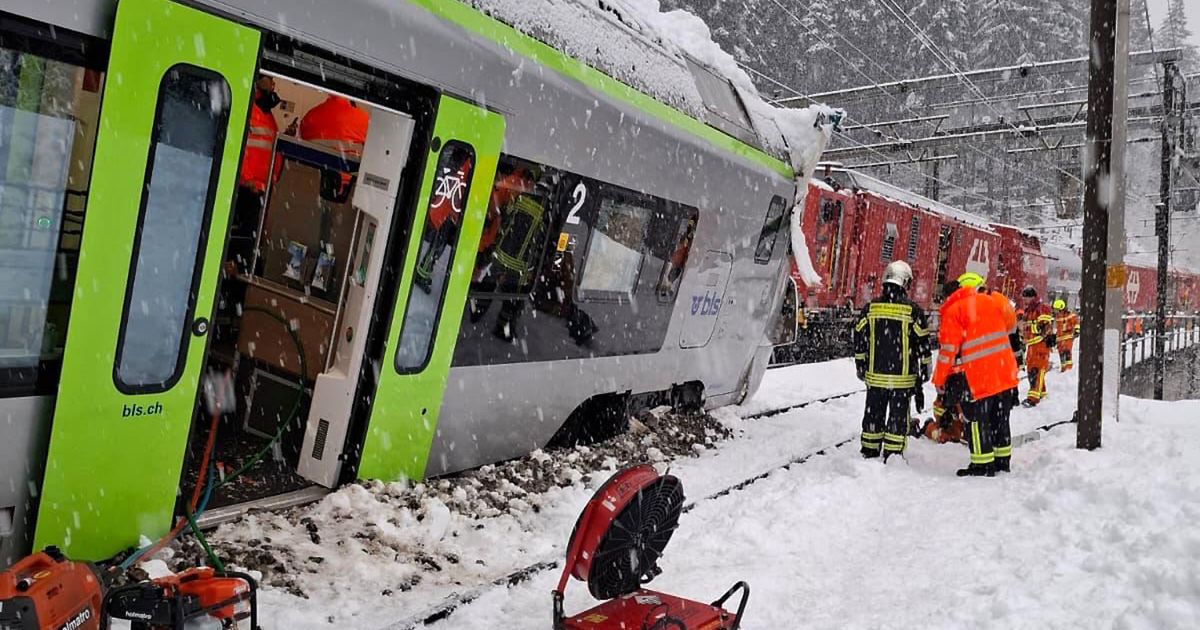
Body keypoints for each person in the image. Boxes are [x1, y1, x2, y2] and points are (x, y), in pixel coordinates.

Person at [932, 272, 1020, 477]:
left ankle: (982, 465)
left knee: (977, 420)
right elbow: (1008, 329)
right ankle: (1002, 461)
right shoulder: (992, 303)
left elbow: (947, 351)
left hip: (978, 377)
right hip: (1004, 371)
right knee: (1000, 418)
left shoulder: (955, 310)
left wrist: (939, 380)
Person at [852, 261, 931, 461]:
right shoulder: (913, 311)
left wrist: (861, 365)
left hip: (875, 376)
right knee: (897, 418)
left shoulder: (871, 309)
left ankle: (869, 449)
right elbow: (923, 344)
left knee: (873, 414)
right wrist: (924, 370)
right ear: (905, 282)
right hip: (902, 380)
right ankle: (893, 454)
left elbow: (859, 339)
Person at [1019, 286, 1056, 407]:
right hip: (1032, 344)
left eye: (1026, 298)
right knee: (1032, 369)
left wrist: (1031, 329)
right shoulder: (1029, 310)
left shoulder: (1041, 308)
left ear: (1032, 297)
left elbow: (1045, 326)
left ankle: (1033, 398)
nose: (1024, 300)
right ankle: (1042, 393)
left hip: (1040, 343)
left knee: (1037, 370)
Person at [1053, 299, 1079, 371]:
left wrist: (1077, 330)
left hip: (1068, 337)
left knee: (1067, 351)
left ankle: (1068, 368)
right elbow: (1058, 328)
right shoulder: (1058, 317)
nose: (1056, 311)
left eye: (1057, 309)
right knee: (1061, 353)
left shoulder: (1070, 315)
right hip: (1059, 339)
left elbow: (1076, 323)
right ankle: (1063, 368)